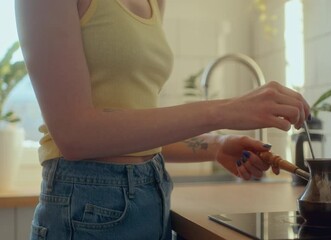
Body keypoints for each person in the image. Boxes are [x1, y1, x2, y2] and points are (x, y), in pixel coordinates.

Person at [15, 0, 310, 239]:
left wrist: (216, 145)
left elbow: (136, 128)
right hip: (85, 206)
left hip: (152, 193)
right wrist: (224, 110)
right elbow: (75, 135)